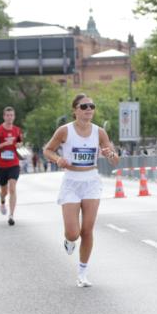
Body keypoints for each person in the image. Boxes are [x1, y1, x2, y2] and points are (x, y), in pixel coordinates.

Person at [43, 93, 120, 287]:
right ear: (75, 110)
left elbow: (114, 159)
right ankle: (69, 241)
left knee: (87, 230)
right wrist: (58, 159)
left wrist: (110, 153)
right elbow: (47, 150)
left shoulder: (99, 132)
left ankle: (82, 273)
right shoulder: (65, 131)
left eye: (92, 107)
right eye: (84, 107)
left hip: (91, 181)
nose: (89, 110)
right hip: (71, 182)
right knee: (72, 233)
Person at [0, 106, 24, 226]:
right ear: (4, 116)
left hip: (14, 163)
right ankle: (2, 200)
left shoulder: (17, 130)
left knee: (12, 188)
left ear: (14, 117)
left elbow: (20, 141)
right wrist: (4, 144)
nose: (9, 117)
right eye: (7, 115)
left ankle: (11, 215)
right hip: (1, 165)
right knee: (4, 191)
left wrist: (18, 145)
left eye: (11, 115)